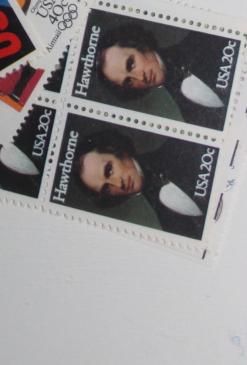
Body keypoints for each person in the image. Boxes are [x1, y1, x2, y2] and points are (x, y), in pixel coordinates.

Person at [95, 20, 231, 131]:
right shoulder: (187, 114)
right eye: (128, 81)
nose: (140, 78)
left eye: (131, 64)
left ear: (140, 45)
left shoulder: (205, 38)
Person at [71, 128, 206, 235]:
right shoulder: (166, 222)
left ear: (118, 151)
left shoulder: (183, 146)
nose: (118, 184)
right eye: (106, 188)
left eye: (109, 170)